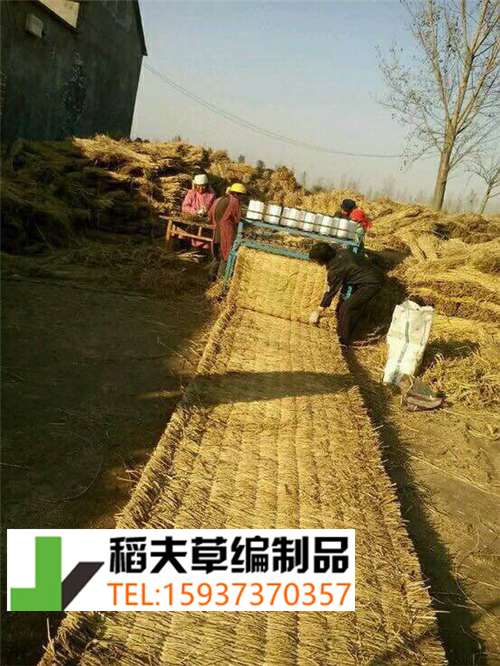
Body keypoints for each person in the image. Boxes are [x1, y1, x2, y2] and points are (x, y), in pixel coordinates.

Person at [308, 242, 383, 347]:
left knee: (346, 308)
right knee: (354, 307)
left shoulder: (335, 270)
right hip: (372, 274)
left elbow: (331, 292)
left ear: (322, 259)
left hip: (371, 284)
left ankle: (342, 342)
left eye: (316, 260)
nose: (316, 262)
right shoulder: (339, 250)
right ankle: (352, 333)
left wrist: (318, 311)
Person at [208, 183, 247, 279]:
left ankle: (211, 277)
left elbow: (209, 214)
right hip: (226, 232)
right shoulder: (234, 201)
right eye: (242, 195)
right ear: (237, 194)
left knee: (217, 255)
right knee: (225, 256)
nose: (242, 198)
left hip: (216, 231)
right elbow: (237, 218)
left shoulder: (219, 199)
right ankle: (221, 281)